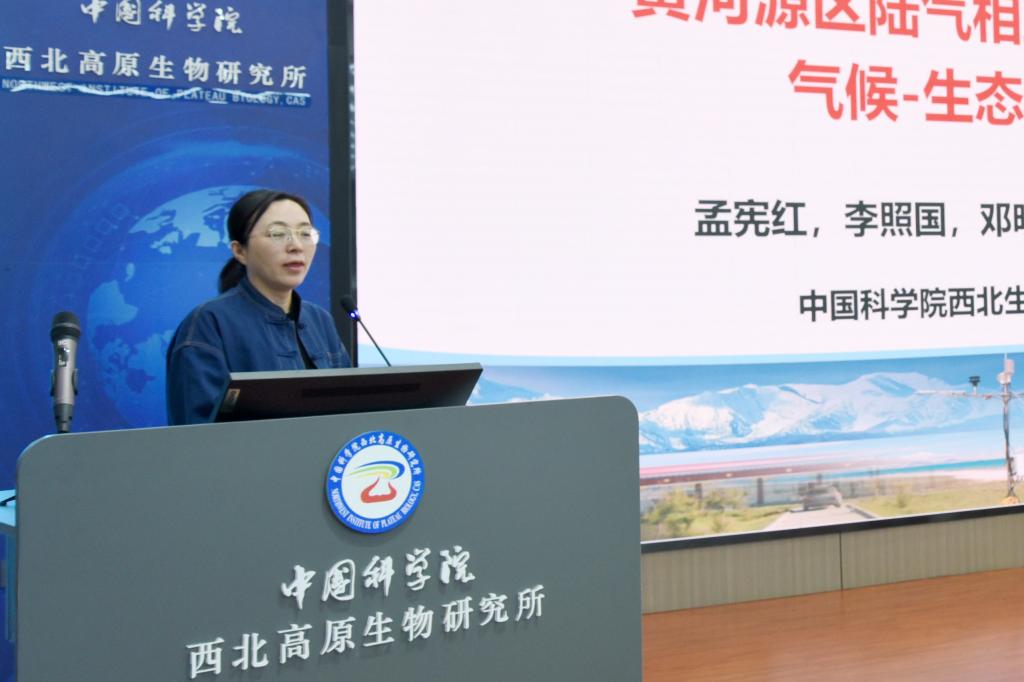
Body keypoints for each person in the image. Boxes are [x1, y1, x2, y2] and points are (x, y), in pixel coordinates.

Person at [166, 189, 351, 425]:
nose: (296, 246)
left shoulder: (319, 320)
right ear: (240, 251)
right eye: (278, 234)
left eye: (305, 233)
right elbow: (197, 431)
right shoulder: (209, 323)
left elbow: (348, 412)